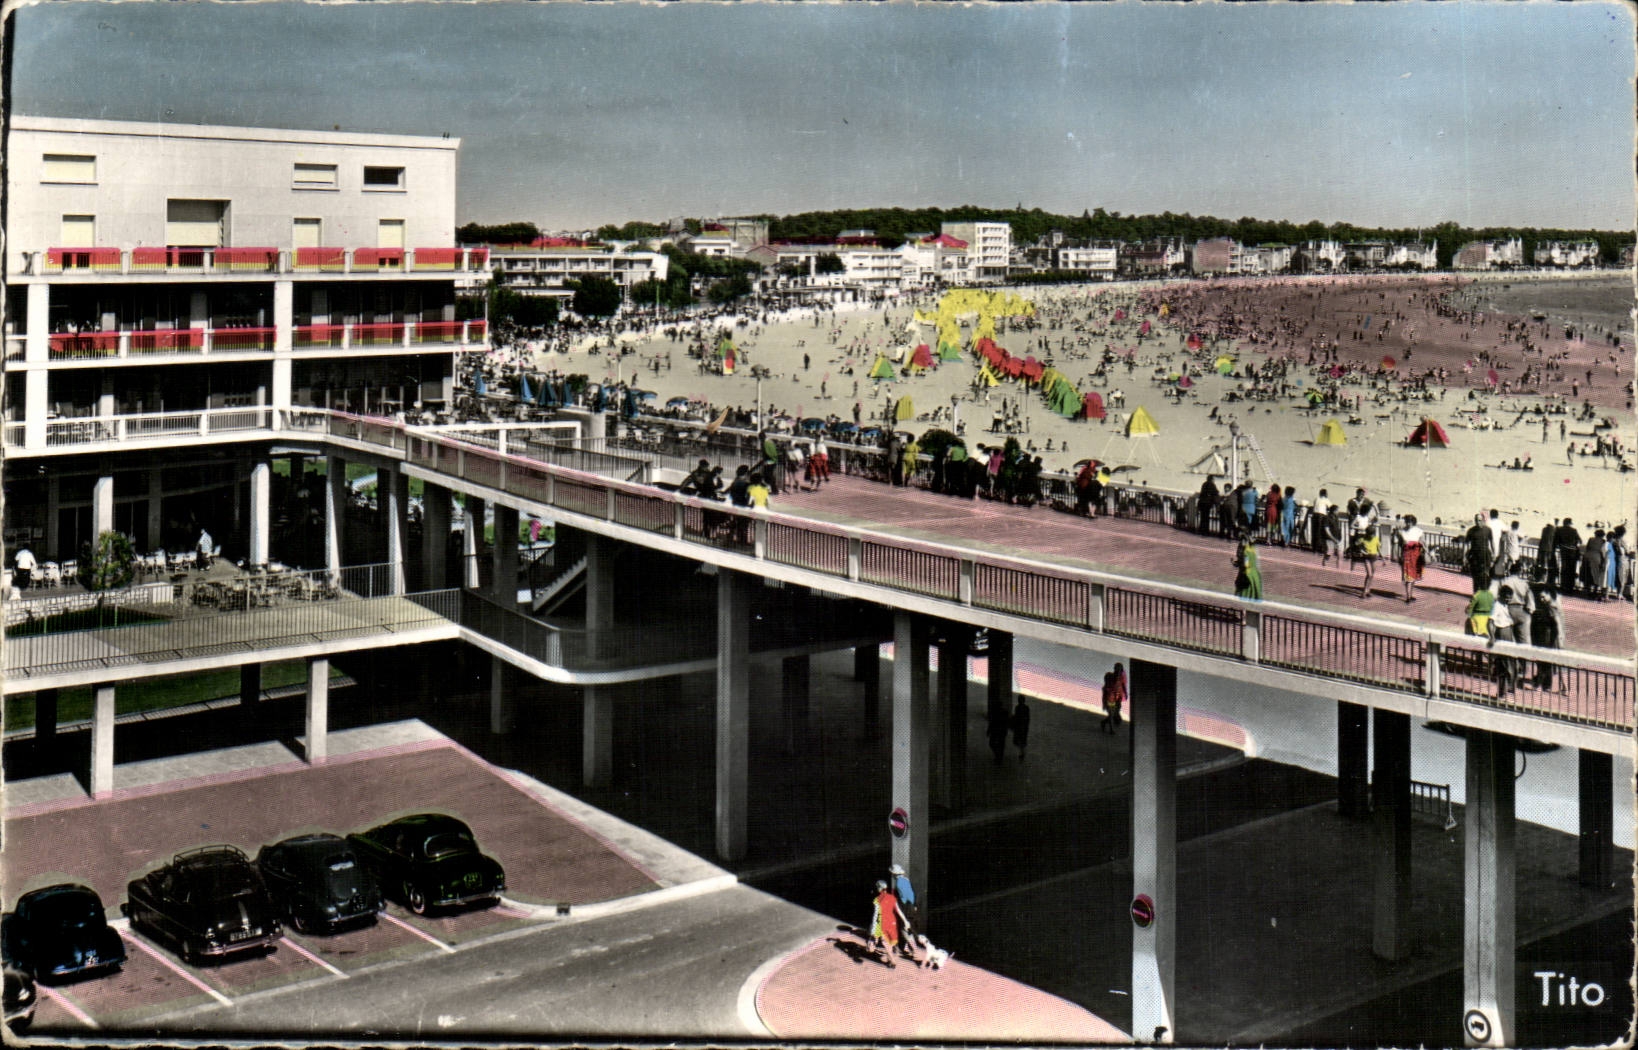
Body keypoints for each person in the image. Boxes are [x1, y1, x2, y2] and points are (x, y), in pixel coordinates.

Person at [1529, 583, 1565, 689]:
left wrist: (1560, 636)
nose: (1541, 599)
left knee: (1546, 660)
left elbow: (1557, 622)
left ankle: (1541, 682)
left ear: (1549, 594)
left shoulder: (1551, 606)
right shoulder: (1553, 604)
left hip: (1550, 637)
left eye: (1543, 597)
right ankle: (1546, 683)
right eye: (1540, 597)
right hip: (1551, 636)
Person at [868, 880, 910, 967]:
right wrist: (905, 920)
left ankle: (892, 961)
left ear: (879, 889)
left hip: (883, 923)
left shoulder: (877, 900)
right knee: (889, 941)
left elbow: (875, 916)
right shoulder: (892, 898)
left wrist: (873, 928)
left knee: (884, 942)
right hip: (892, 922)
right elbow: (898, 911)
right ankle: (892, 951)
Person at [888, 863, 919, 956]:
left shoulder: (898, 884)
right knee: (908, 928)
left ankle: (914, 948)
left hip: (905, 908)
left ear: (894, 874)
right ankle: (908, 947)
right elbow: (912, 893)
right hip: (912, 907)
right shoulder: (906, 880)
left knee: (903, 929)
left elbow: (901, 900)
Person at [1350, 513, 1381, 598]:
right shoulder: (1363, 539)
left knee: (1372, 575)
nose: (1372, 536)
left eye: (1373, 534)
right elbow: (1356, 544)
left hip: (1374, 557)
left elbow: (1378, 548)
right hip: (1367, 558)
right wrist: (1362, 551)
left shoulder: (1375, 539)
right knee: (1369, 574)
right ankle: (1364, 592)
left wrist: (1382, 558)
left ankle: (1368, 590)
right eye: (1371, 534)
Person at [1396, 514, 1425, 602]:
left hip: (1416, 555)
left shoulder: (1419, 531)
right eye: (1407, 522)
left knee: (1414, 575)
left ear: (1413, 522)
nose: (1408, 524)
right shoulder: (1402, 531)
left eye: (1410, 522)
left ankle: (1410, 594)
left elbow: (1422, 544)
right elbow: (1399, 544)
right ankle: (1408, 596)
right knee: (1408, 575)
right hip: (1406, 554)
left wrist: (1426, 554)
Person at [1463, 513, 1493, 593]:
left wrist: (1493, 554)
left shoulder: (1488, 530)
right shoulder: (1471, 531)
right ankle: (1475, 594)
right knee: (1475, 577)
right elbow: (1466, 544)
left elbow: (1492, 543)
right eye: (1476, 520)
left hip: (1485, 556)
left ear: (1483, 520)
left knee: (1485, 576)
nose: (1477, 522)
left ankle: (1484, 594)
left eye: (1479, 520)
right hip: (1474, 556)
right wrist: (1464, 557)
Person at [1554, 517, 1583, 595]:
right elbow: (1580, 541)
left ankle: (1563, 586)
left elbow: (1556, 541)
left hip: (1563, 551)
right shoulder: (1574, 530)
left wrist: (1561, 545)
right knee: (1571, 570)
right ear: (1570, 523)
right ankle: (1570, 588)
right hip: (1573, 552)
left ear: (1564, 523)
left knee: (1564, 569)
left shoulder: (1559, 530)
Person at [1233, 533, 1263, 600]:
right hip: (1255, 572)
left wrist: (1238, 564)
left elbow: (1246, 564)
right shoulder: (1253, 550)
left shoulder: (1246, 551)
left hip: (1248, 572)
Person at [1010, 696, 1030, 763]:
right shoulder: (1026, 708)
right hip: (1023, 727)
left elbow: (1017, 717)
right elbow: (1027, 718)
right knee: (1022, 741)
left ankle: (1021, 753)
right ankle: (1022, 752)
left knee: (1019, 741)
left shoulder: (1017, 707)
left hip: (1019, 727)